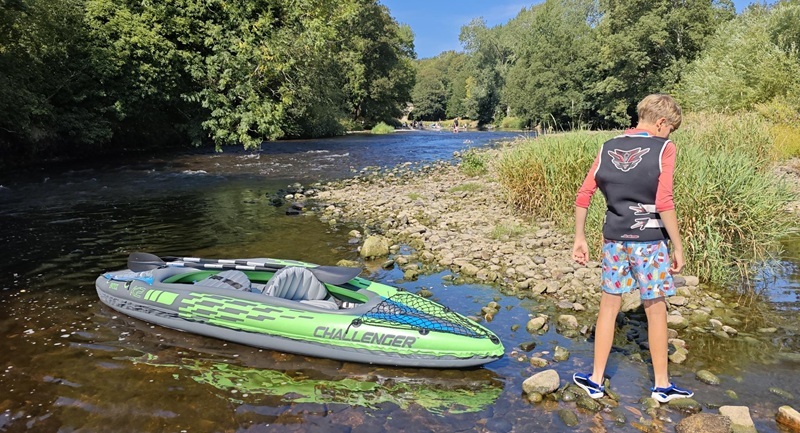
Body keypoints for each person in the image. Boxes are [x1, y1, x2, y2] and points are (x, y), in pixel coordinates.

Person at [571, 94, 694, 404]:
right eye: (670, 128)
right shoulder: (664, 148)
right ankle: (662, 386)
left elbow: (584, 194)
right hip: (650, 243)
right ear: (661, 123)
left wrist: (579, 237)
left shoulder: (607, 147)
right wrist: (678, 246)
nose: (670, 135)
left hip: (614, 241)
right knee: (655, 310)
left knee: (608, 308)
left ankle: (596, 380)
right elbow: (664, 202)